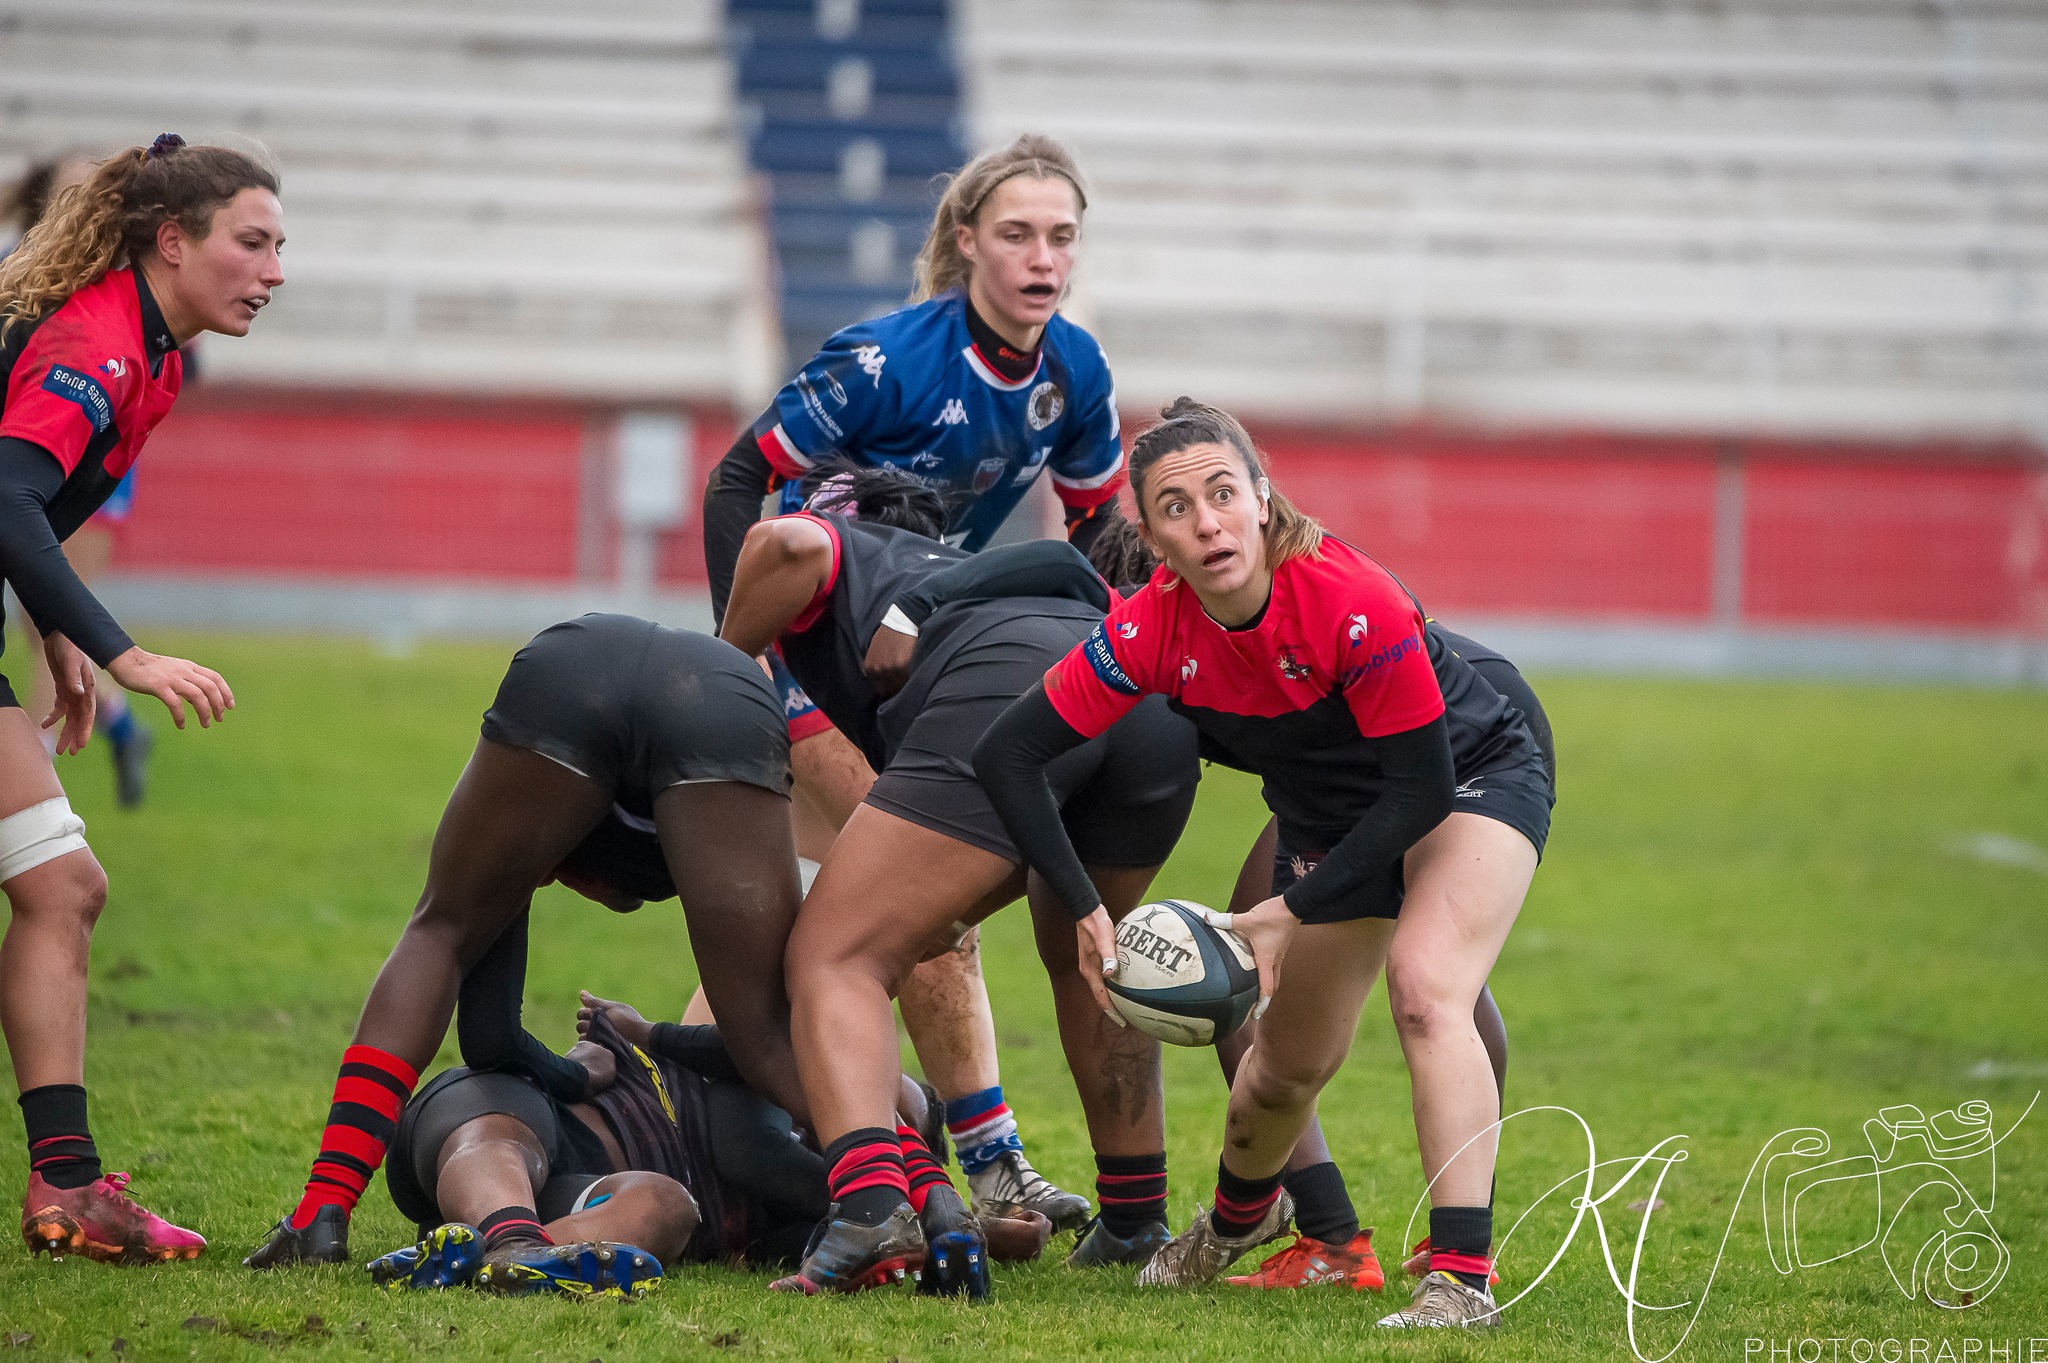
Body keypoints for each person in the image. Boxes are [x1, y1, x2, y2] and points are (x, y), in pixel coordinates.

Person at [974, 400, 1554, 1328]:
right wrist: (1084, 906)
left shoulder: (1349, 597)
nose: (1207, 521)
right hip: (1332, 812)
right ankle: (1242, 1225)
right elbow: (1006, 753)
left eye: (1222, 493)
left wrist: (1291, 908)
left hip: (1469, 777)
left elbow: (1418, 792)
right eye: (1176, 506)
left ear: (1261, 495)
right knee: (1283, 1066)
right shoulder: (1150, 629)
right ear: (1152, 536)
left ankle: (1460, 1278)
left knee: (1426, 987)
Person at [700, 134, 1125, 1231]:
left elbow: (1099, 539)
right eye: (1018, 233)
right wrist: (731, 661)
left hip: (925, 660)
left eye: (1061, 236)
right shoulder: (885, 359)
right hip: (814, 655)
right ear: (966, 241)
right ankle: (988, 1165)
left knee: (821, 915)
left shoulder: (1073, 372)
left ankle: (682, 1102)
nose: (1041, 256)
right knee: (921, 902)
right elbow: (742, 476)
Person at [724, 477, 1201, 1298]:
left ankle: (871, 1209)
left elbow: (787, 544)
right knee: (1092, 952)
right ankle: (1133, 1217)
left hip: (1014, 689)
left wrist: (724, 663)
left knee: (835, 957)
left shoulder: (839, 549)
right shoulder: (954, 570)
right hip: (1139, 704)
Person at [244, 619, 811, 1290]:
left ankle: (339, 1213)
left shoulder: (750, 1166)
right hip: (717, 700)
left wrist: (600, 1059)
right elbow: (763, 1046)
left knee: (442, 929)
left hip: (572, 666)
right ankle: (900, 1190)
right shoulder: (782, 1105)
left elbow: (489, 1032)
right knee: (768, 1028)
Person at [1082, 518, 1549, 1291]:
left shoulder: (1197, 629)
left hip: (1467, 740)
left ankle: (1380, 1239)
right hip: (1351, 768)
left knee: (1424, 985)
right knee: (1297, 978)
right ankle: (1291, 1219)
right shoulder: (1173, 643)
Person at [0, 134, 279, 1263]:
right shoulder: (99, 345)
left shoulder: (153, 355)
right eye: (251, 242)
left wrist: (55, 630)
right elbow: (10, 504)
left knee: (62, 887)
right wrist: (119, 654)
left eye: (278, 245)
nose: (273, 269)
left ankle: (65, 1185)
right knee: (61, 885)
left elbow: (30, 518)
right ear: (174, 242)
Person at [4, 154, 154, 807]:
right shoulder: (19, 266)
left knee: (51, 619)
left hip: (88, 470)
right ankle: (120, 725)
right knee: (39, 623)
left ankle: (31, 780)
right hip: (30, 461)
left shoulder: (118, 283)